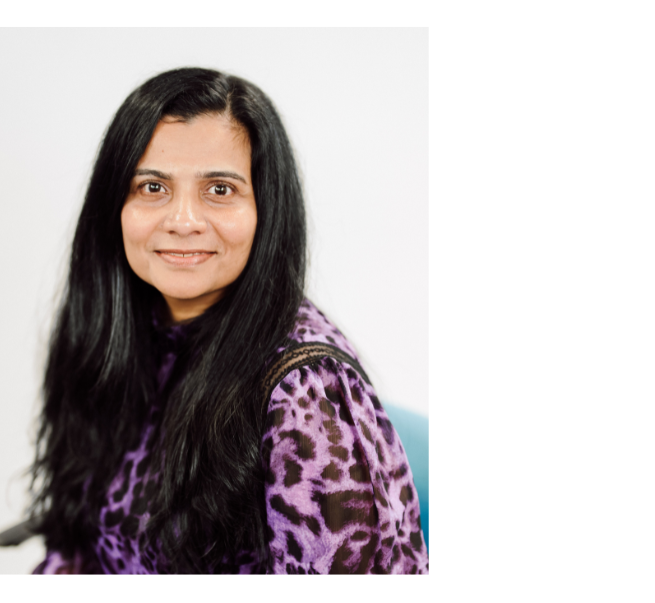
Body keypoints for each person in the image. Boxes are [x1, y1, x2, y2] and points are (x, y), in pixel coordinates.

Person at [28, 67, 428, 574]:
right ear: (114, 207)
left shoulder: (304, 390)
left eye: (219, 189)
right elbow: (77, 549)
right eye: (152, 186)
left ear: (266, 209)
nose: (183, 221)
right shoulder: (111, 335)